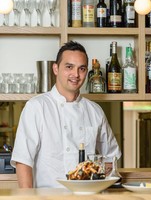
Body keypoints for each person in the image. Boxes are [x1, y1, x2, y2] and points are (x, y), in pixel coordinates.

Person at [11, 41, 122, 188]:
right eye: (69, 67)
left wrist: (99, 185)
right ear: (55, 69)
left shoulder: (94, 111)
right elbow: (23, 161)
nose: (75, 74)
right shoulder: (37, 107)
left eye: (81, 69)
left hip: (86, 197)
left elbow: (111, 156)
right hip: (47, 197)